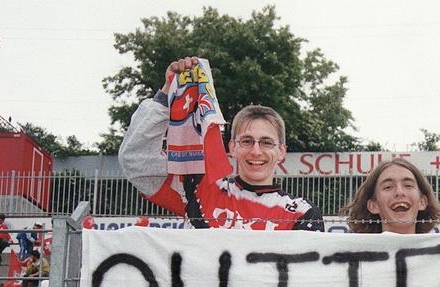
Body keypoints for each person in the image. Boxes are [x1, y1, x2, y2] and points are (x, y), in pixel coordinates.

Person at [119, 56, 323, 231]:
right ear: (232, 147)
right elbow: (135, 161)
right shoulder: (201, 187)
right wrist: (166, 94)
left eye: (267, 142)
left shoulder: (302, 213)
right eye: (247, 141)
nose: (256, 151)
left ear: (281, 151)